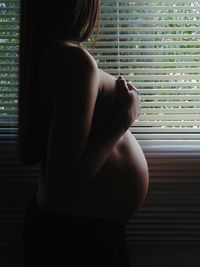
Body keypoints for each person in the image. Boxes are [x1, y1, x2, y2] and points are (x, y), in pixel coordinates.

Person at [19, 1, 149, 266]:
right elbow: (62, 182)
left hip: (74, 229)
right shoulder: (75, 62)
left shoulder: (52, 57)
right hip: (77, 239)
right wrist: (123, 120)